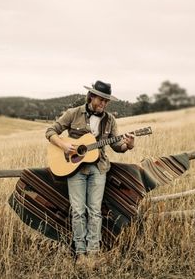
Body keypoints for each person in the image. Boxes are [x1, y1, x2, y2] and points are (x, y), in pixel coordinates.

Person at [45, 80, 135, 267]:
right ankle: (80, 254)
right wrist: (64, 145)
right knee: (78, 212)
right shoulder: (74, 113)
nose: (103, 104)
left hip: (99, 169)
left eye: (106, 101)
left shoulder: (109, 120)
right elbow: (50, 131)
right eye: (101, 99)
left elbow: (117, 146)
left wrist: (128, 145)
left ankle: (93, 253)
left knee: (95, 211)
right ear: (92, 96)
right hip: (75, 168)